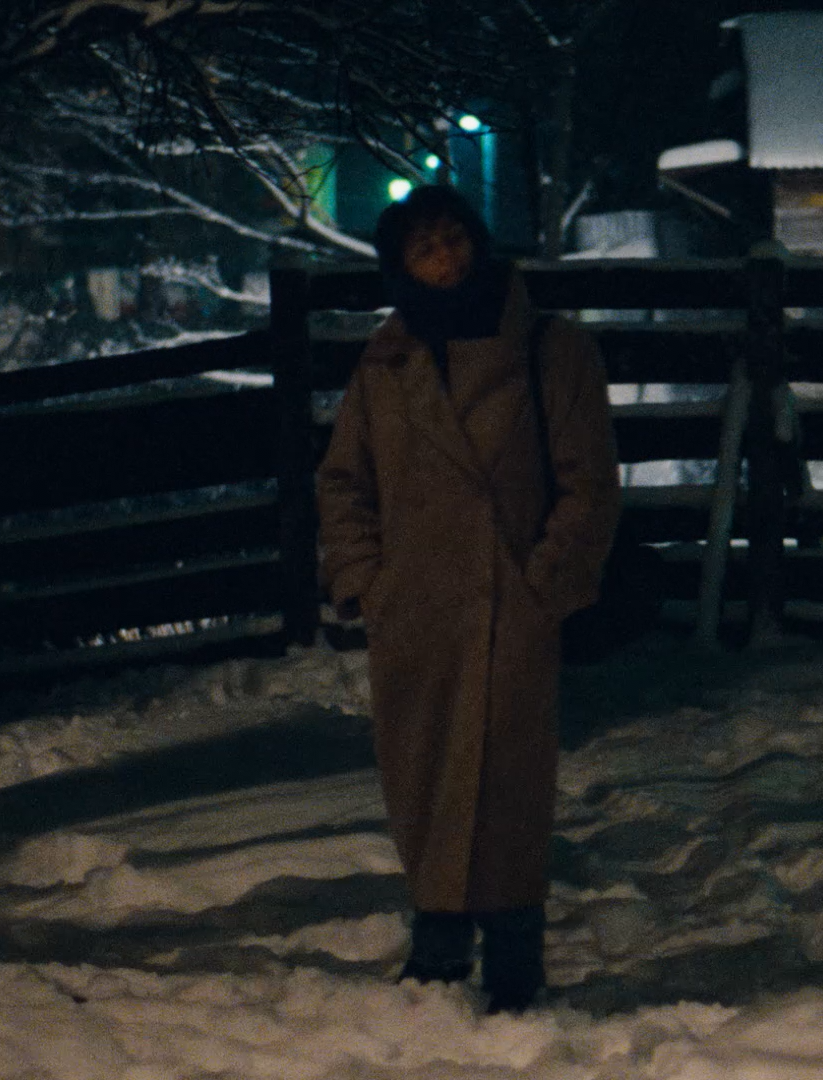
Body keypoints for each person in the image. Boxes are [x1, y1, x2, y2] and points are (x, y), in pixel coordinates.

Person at [315, 186, 621, 1013]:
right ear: (401, 268)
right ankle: (440, 940)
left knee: (509, 785)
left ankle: (515, 950)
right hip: (415, 613)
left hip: (507, 605)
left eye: (454, 239)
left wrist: (541, 585)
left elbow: (589, 484)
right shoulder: (387, 362)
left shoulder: (549, 349)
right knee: (423, 778)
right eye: (424, 249)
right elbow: (343, 481)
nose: (446, 258)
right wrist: (366, 582)